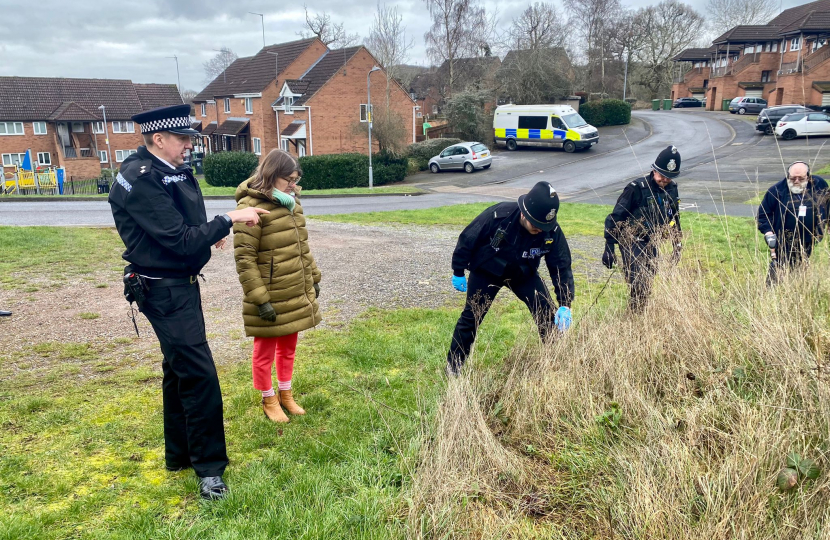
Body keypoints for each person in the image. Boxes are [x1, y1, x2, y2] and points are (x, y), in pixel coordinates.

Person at [108, 104, 268, 500]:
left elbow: (185, 221)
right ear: (158, 139)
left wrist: (207, 232)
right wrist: (229, 219)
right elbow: (179, 239)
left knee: (178, 369)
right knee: (199, 375)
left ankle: (179, 454)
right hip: (163, 289)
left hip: (177, 282)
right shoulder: (140, 178)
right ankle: (210, 471)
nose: (189, 145)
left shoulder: (164, 167)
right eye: (182, 139)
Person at [446, 181, 574, 376]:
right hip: (487, 270)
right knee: (471, 317)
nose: (540, 229)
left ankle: (556, 364)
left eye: (544, 225)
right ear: (524, 213)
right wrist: (458, 270)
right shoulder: (499, 216)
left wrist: (565, 303)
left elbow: (561, 265)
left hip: (523, 273)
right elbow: (468, 238)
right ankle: (453, 368)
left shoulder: (550, 230)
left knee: (546, 312)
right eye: (536, 224)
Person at [232, 149, 322, 423]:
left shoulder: (291, 203)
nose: (293, 185)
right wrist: (260, 299)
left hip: (294, 288)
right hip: (269, 293)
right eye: (289, 179)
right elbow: (245, 259)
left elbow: (301, 246)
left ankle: (286, 394)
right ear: (272, 175)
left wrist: (314, 277)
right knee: (264, 351)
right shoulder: (249, 207)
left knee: (289, 346)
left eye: (296, 179)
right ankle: (268, 399)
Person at [602, 145, 682, 312]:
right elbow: (616, 217)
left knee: (649, 279)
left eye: (669, 178)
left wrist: (677, 243)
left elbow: (674, 217)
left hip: (652, 241)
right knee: (639, 280)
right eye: (662, 176)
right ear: (654, 171)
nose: (664, 180)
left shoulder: (672, 189)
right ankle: (635, 316)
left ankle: (637, 314)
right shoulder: (636, 188)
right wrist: (609, 246)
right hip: (631, 240)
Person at [757, 161, 828, 283]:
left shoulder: (819, 185)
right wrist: (768, 232)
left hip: (809, 238)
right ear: (787, 175)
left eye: (801, 178)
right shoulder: (776, 191)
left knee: (801, 266)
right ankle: (771, 292)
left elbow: (827, 203)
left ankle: (797, 290)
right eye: (792, 178)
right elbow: (763, 215)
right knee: (779, 267)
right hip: (783, 239)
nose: (796, 181)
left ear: (808, 176)